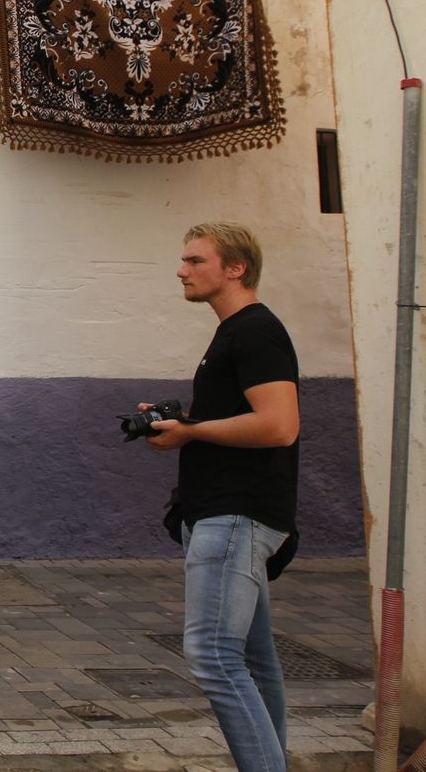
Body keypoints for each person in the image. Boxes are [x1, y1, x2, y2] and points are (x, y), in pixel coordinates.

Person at [144, 223, 300, 771]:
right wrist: (182, 424)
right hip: (223, 510)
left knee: (212, 655)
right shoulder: (235, 332)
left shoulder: (255, 332)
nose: (181, 270)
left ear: (235, 268)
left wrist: (191, 431)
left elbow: (279, 426)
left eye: (193, 260)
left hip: (236, 514)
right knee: (254, 660)